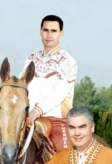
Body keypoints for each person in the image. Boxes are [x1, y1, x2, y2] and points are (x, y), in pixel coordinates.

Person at [19, 15, 78, 152]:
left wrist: (36, 111)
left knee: (63, 162)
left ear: (61, 33)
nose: (49, 35)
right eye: (46, 30)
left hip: (55, 121)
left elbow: (59, 94)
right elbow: (22, 87)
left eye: (54, 31)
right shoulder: (31, 59)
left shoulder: (68, 61)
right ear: (40, 32)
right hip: (27, 119)